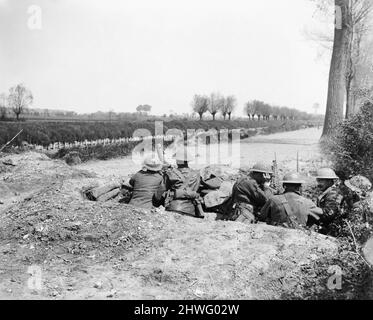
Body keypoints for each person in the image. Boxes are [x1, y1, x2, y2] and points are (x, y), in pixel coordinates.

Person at [259, 172, 323, 229]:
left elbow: (262, 217)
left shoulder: (273, 200)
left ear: (284, 186)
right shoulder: (308, 203)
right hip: (300, 238)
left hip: (278, 237)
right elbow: (320, 217)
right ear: (299, 187)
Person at [161, 148, 204, 218]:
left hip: (173, 208)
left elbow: (161, 190)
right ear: (187, 161)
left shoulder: (170, 173)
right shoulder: (196, 174)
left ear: (177, 161)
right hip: (191, 210)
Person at [315, 168, 344, 234]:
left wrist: (312, 211)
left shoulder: (333, 194)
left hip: (332, 231)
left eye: (321, 181)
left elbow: (329, 214)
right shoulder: (327, 192)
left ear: (329, 181)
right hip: (327, 229)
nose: (318, 184)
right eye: (318, 180)